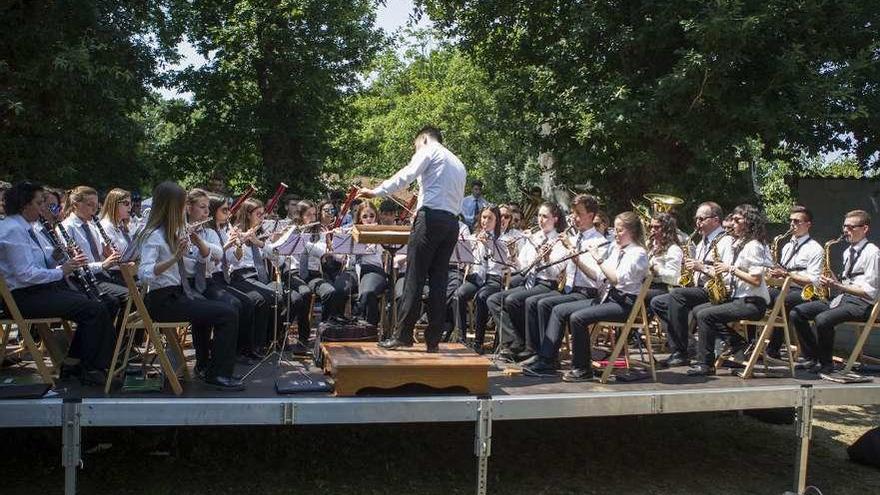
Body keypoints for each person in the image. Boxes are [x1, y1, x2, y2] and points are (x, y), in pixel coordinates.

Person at [358, 126, 467, 352]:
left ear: (424, 138)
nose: (415, 149)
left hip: (430, 219)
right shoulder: (458, 163)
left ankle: (403, 335)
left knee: (414, 278)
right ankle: (433, 340)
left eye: (415, 145)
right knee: (439, 280)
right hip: (451, 223)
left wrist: (376, 191)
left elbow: (406, 175)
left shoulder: (429, 150)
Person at [0, 181, 115, 384]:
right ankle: (89, 369)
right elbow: (25, 275)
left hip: (37, 291)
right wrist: (62, 270)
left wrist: (56, 256)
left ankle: (74, 363)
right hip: (24, 297)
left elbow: (37, 263)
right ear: (24, 205)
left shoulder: (25, 227)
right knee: (93, 309)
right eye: (38, 203)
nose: (42, 207)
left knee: (100, 304)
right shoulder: (12, 230)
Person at [136, 181, 243, 390]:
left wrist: (193, 244)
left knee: (228, 308)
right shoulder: (154, 235)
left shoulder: (173, 230)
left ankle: (211, 368)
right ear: (170, 205)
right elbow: (145, 274)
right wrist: (174, 257)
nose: (185, 209)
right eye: (183, 204)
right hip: (163, 301)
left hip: (177, 294)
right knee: (227, 314)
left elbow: (209, 257)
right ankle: (217, 374)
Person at [521, 194, 609, 375]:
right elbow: (557, 271)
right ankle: (543, 354)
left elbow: (596, 279)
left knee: (554, 308)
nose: (574, 218)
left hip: (589, 293)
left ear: (591, 216)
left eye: (578, 213)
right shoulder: (575, 237)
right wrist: (547, 255)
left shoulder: (600, 242)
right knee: (541, 303)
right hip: (571, 290)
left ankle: (548, 359)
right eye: (573, 213)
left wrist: (574, 255)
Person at [789, 209, 879, 375]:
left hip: (863, 304)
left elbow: (870, 292)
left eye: (851, 227)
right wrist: (832, 279)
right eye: (845, 227)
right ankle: (811, 357)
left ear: (865, 229)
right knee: (797, 312)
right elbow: (847, 281)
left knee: (823, 319)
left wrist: (839, 286)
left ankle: (826, 364)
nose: (846, 231)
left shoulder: (872, 253)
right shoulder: (847, 252)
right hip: (843, 299)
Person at [562, 211, 650, 382]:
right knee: (567, 312)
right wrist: (577, 261)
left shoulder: (638, 254)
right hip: (609, 297)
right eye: (615, 230)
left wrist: (598, 258)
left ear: (631, 231)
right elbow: (598, 276)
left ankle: (582, 369)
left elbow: (616, 279)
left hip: (624, 304)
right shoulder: (618, 249)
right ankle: (583, 363)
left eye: (619, 231)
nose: (615, 234)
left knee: (578, 318)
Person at [687, 204, 771, 376]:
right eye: (732, 219)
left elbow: (756, 280)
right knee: (698, 310)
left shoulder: (754, 245)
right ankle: (738, 343)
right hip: (738, 298)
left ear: (748, 222)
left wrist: (730, 269)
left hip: (753, 302)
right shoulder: (739, 243)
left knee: (706, 315)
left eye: (737, 220)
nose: (732, 223)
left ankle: (706, 364)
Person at [650, 201, 733, 368]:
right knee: (658, 302)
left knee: (677, 296)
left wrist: (701, 267)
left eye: (701, 219)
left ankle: (680, 352)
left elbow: (727, 274)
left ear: (716, 220)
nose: (697, 223)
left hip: (718, 290)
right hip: (701, 288)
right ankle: (685, 344)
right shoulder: (702, 242)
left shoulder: (726, 241)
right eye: (696, 219)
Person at [487, 202, 568, 362]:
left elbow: (554, 273)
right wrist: (513, 256)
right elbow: (522, 266)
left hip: (547, 284)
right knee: (494, 300)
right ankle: (516, 341)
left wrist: (545, 258)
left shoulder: (559, 240)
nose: (541, 220)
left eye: (545, 216)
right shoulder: (535, 237)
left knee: (514, 300)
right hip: (529, 282)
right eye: (539, 216)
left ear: (555, 219)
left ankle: (529, 348)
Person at [60, 186, 129, 321]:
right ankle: (118, 339)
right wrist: (103, 265)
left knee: (137, 293)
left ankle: (123, 339)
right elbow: (73, 267)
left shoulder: (93, 226)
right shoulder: (67, 227)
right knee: (125, 297)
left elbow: (103, 253)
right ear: (75, 205)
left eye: (96, 206)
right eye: (89, 205)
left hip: (99, 276)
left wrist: (113, 257)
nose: (94, 209)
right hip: (80, 280)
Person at [763, 205, 823, 359]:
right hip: (785, 288)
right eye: (791, 221)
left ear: (808, 225)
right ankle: (751, 343)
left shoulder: (815, 249)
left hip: (805, 292)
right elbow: (783, 272)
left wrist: (787, 274)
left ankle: (773, 348)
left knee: (782, 300)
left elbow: (813, 281)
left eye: (797, 222)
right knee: (757, 295)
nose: (792, 225)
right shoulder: (787, 246)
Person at [454, 205, 504, 351]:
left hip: (493, 278)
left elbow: (502, 262)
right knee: (458, 295)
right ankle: (460, 338)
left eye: (490, 218)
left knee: (482, 297)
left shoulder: (501, 240)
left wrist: (489, 245)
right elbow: (464, 259)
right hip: (476, 276)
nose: (486, 221)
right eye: (484, 217)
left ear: (496, 221)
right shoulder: (473, 237)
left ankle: (478, 342)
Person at [351, 202, 387, 325]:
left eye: (372, 216)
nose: (369, 220)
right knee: (338, 291)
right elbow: (342, 255)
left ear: (376, 217)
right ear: (360, 219)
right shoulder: (352, 232)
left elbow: (382, 250)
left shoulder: (382, 232)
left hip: (373, 269)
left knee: (367, 292)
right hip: (353, 270)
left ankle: (369, 324)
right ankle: (337, 326)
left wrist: (376, 233)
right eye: (365, 217)